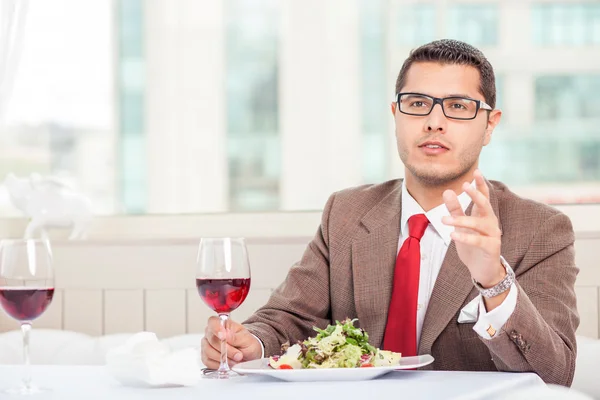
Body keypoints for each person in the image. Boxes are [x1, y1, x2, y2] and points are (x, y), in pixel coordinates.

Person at [200, 39, 579, 386]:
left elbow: (555, 372)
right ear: (396, 114)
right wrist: (251, 344)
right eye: (417, 104)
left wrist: (493, 280)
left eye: (458, 107)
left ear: (489, 125)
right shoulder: (345, 213)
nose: (434, 121)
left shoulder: (541, 231)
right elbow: (291, 318)